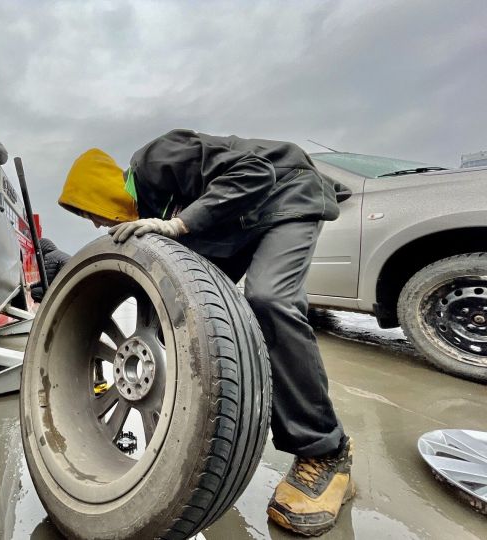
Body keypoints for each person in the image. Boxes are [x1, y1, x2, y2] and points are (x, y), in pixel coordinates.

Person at [57, 129, 354, 536]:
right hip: (242, 222)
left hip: (285, 194)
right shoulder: (156, 212)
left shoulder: (156, 160)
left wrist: (180, 224)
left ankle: (326, 452)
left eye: (86, 210)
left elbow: (256, 171)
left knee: (269, 300)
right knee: (184, 314)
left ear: (99, 191)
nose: (93, 222)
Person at [30, 238, 70, 303]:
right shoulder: (59, 254)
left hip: (64, 290)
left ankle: (49, 310)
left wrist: (31, 286)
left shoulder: (49, 257)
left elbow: (46, 282)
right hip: (69, 286)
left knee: (35, 292)